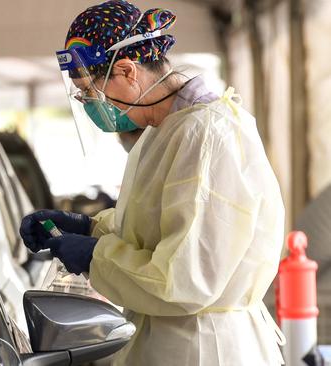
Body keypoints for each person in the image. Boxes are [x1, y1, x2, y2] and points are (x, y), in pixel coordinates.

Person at [20, 1, 285, 365]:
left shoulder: (205, 135)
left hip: (204, 347)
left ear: (128, 71)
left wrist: (96, 256)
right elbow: (161, 227)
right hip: (170, 339)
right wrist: (92, 228)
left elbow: (185, 279)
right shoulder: (160, 131)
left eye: (89, 91)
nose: (87, 103)